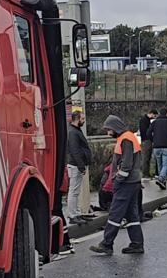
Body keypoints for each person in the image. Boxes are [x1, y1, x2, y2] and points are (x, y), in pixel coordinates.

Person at [90, 115, 145, 255]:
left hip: (126, 183)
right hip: (133, 182)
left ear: (115, 127)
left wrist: (118, 180)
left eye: (109, 130)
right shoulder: (129, 137)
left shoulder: (125, 139)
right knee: (131, 215)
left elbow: (126, 164)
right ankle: (137, 243)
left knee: (115, 213)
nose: (108, 133)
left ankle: (107, 244)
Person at [66, 111, 91, 225]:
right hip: (75, 165)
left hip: (77, 165)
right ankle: (73, 215)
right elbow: (74, 150)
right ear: (77, 119)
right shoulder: (73, 132)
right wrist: (81, 166)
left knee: (75, 191)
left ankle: (76, 213)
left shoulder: (75, 130)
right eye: (82, 119)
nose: (84, 121)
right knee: (74, 191)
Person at [148, 107, 167, 190]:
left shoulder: (154, 122)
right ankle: (161, 179)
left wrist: (153, 140)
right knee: (165, 165)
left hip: (156, 146)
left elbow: (148, 132)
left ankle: (162, 182)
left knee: (159, 164)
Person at [139, 109, 158, 178]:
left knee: (147, 157)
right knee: (146, 157)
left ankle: (147, 173)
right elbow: (145, 131)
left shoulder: (146, 120)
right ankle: (145, 173)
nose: (154, 118)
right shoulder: (144, 120)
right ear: (151, 114)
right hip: (146, 141)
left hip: (146, 140)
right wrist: (151, 137)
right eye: (154, 116)